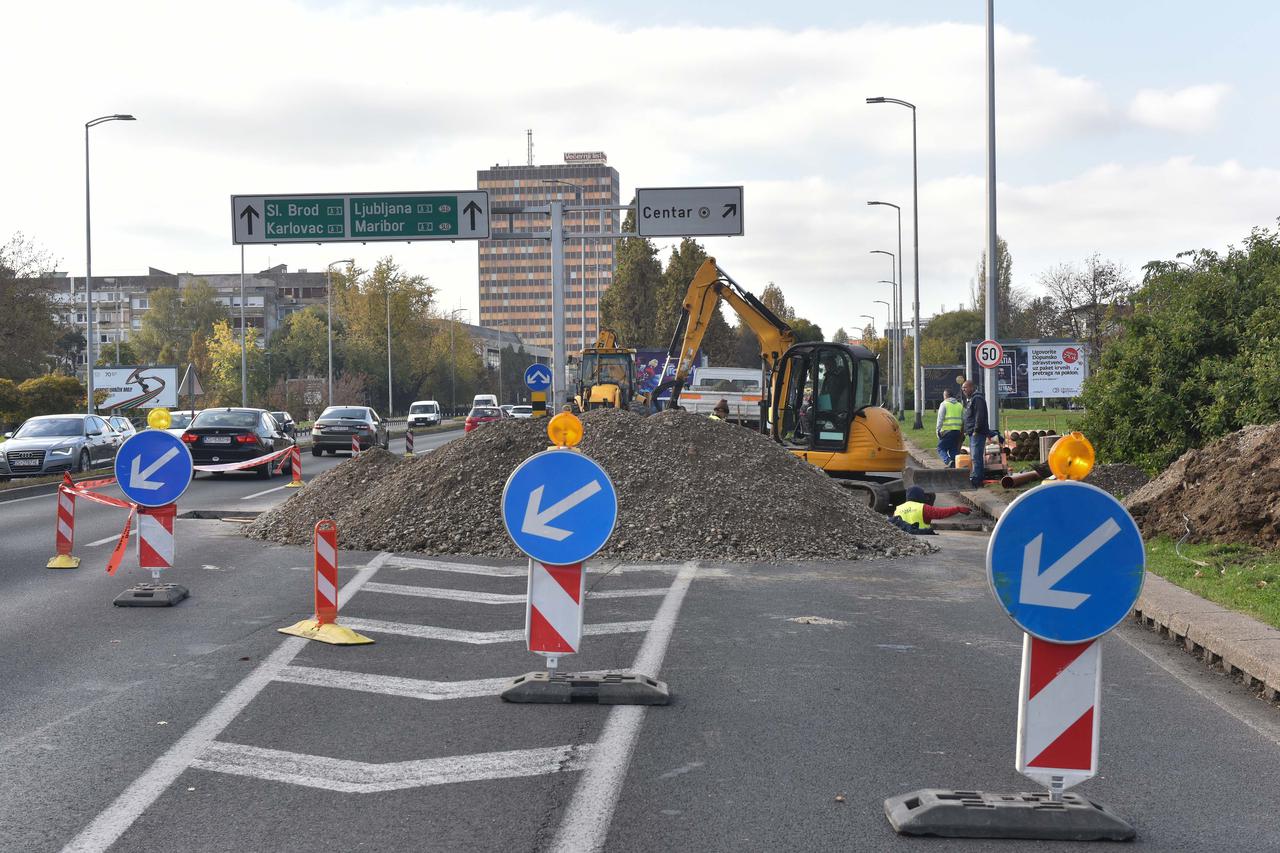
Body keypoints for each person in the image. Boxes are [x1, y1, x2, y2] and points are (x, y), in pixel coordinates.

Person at [962, 380, 1000, 488]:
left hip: (977, 433)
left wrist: (975, 430)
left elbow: (980, 416)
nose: (963, 390)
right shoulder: (972, 399)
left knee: (976, 456)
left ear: (972, 387)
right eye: (963, 388)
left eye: (965, 387)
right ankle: (978, 477)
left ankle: (976, 480)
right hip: (973, 432)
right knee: (975, 456)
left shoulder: (977, 399)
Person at [891, 486, 972, 534]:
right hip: (922, 537)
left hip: (904, 539)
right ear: (920, 496)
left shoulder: (898, 509)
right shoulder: (922, 507)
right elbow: (941, 513)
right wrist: (958, 509)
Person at [935, 387, 964, 467]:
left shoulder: (944, 404)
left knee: (940, 448)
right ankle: (955, 465)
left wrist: (937, 431)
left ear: (946, 395)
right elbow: (963, 420)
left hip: (947, 432)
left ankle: (948, 461)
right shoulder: (959, 405)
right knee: (953, 449)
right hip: (957, 432)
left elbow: (940, 419)